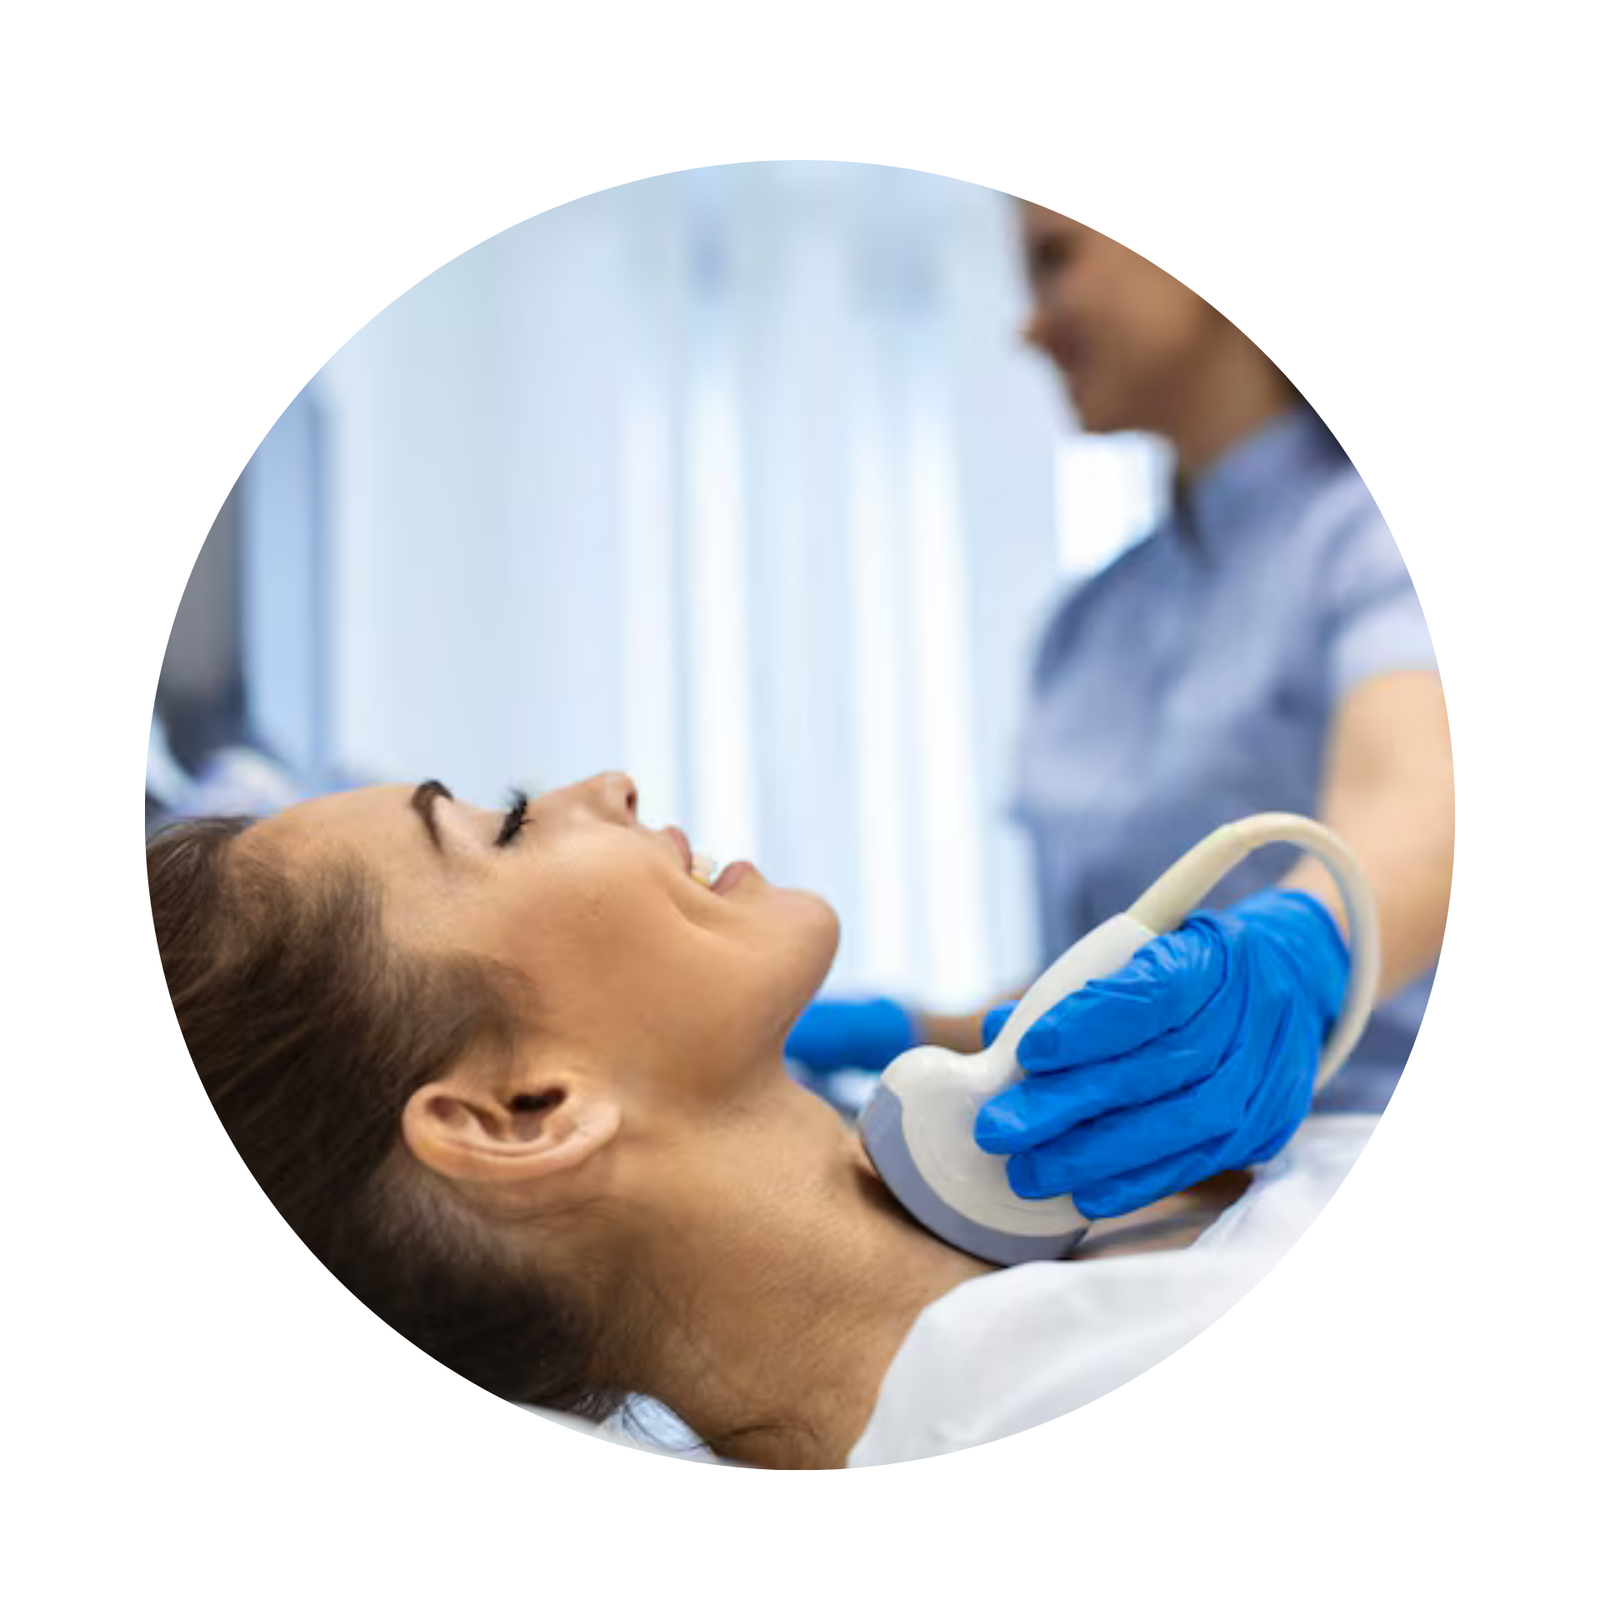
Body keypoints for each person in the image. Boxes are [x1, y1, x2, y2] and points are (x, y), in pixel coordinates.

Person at [149, 770, 1378, 1469]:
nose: (607, 785)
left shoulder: (1089, 1268)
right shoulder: (1075, 1404)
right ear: (523, 1113)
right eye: (507, 826)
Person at [786, 204, 1453, 1216]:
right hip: (1140, 1220)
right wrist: (916, 1034)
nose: (1028, 326)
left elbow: (1425, 796)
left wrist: (1305, 944)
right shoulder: (1085, 627)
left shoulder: (1377, 541)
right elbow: (1112, 997)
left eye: (1055, 260)